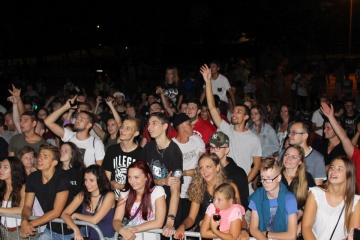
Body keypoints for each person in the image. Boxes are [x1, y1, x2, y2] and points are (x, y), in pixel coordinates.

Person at [200, 64, 262, 190]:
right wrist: (208, 81)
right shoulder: (226, 129)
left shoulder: (253, 139)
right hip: (222, 185)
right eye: (234, 111)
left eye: (239, 112)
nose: (234, 114)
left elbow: (257, 165)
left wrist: (243, 183)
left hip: (243, 187)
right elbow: (212, 108)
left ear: (246, 117)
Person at [174, 153, 241, 239]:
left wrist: (243, 231)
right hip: (204, 234)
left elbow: (240, 214)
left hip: (226, 234)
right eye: (201, 168)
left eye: (208, 167)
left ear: (217, 167)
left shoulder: (230, 187)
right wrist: (183, 226)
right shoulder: (198, 188)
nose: (204, 171)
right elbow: (191, 218)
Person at [141, 112, 182, 238]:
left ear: (165, 126)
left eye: (154, 123)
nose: (150, 127)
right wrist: (161, 181)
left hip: (169, 205)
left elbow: (175, 190)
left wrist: (170, 221)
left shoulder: (174, 151)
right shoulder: (149, 148)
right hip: (151, 204)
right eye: (149, 124)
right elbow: (144, 178)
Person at [20, 143, 72, 239]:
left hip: (70, 229)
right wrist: (24, 221)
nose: (40, 159)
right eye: (40, 155)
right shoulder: (33, 177)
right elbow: (27, 206)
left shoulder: (62, 178)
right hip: (51, 228)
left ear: (54, 162)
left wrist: (30, 224)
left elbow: (56, 211)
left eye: (45, 157)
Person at [302, 157, 360, 239]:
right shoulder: (316, 193)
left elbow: (352, 235)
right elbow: (306, 227)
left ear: (348, 175)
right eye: (332, 167)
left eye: (339, 169)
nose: (333, 171)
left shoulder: (355, 202)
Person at [45, 96, 105, 166]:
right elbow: (48, 122)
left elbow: (99, 168)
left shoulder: (96, 143)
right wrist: (66, 106)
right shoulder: (69, 136)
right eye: (77, 118)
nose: (77, 121)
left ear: (88, 125)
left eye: (81, 119)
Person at [113, 160, 166, 240]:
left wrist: (132, 230)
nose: (132, 181)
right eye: (129, 177)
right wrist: (122, 230)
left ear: (147, 177)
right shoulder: (125, 194)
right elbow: (116, 220)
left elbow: (159, 222)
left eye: (136, 177)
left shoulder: (157, 191)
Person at [61, 165, 115, 240]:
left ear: (100, 180)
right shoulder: (83, 194)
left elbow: (94, 220)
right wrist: (75, 229)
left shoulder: (109, 195)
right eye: (85, 180)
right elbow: (64, 214)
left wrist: (76, 215)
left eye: (91, 180)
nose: (87, 183)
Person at [249, 158, 298, 240]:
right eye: (262, 178)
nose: (265, 182)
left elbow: (292, 235)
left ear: (279, 178)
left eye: (269, 178)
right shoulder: (258, 196)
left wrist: (267, 234)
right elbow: (253, 229)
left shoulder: (289, 199)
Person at [172, 113, 205, 223]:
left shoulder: (197, 140)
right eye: (189, 124)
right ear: (181, 126)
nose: (193, 126)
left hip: (196, 191)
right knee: (180, 224)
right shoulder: (172, 145)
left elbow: (204, 166)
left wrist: (185, 172)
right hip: (179, 193)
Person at [102, 117, 143, 200]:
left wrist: (120, 186)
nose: (123, 130)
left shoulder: (142, 153)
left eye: (128, 128)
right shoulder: (112, 150)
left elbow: (143, 183)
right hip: (113, 199)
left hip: (134, 199)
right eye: (122, 127)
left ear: (136, 133)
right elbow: (106, 179)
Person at [280, 145, 315, 235]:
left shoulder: (307, 178)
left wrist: (303, 210)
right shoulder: (275, 175)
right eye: (286, 155)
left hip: (298, 225)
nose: (288, 159)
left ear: (300, 161)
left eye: (293, 157)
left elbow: (315, 202)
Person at [0, 157, 27, 239]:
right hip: (3, 230)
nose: (1, 170)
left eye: (5, 167)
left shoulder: (23, 188)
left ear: (14, 170)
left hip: (19, 232)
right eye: (0, 166)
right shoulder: (2, 187)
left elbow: (22, 209)